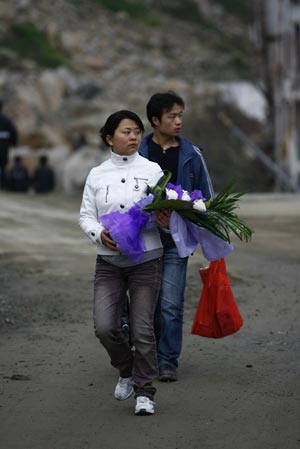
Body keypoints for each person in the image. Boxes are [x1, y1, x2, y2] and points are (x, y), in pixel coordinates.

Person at [79, 110, 163, 416]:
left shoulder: (154, 170)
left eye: (137, 132)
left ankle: (145, 391)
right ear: (109, 138)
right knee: (104, 327)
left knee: (142, 329)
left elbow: (165, 211)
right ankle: (126, 370)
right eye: (126, 132)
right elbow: (86, 215)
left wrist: (161, 217)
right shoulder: (96, 174)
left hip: (147, 259)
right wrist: (99, 233)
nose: (134, 137)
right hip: (109, 261)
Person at [139, 91, 214, 382]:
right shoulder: (139, 153)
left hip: (175, 242)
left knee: (170, 303)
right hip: (142, 242)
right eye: (172, 116)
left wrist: (181, 217)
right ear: (156, 120)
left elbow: (206, 199)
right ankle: (148, 353)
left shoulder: (191, 155)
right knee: (147, 304)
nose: (178, 121)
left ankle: (167, 360)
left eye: (181, 115)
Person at [0, 100, 18, 189]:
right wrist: (13, 143)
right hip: (4, 145)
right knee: (3, 165)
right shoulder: (6, 120)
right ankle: (2, 184)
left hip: (4, 144)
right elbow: (13, 133)